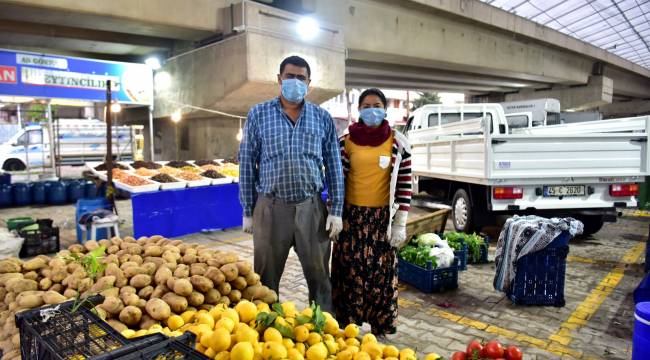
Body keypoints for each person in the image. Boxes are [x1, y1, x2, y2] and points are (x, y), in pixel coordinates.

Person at [238, 55, 344, 312]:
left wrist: (336, 210)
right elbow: (246, 163)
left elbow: (333, 164)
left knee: (320, 278)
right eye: (290, 76)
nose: (295, 82)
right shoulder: (258, 114)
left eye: (301, 78)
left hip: (312, 208)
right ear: (279, 79)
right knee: (265, 278)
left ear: (309, 83)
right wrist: (248, 210)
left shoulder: (322, 118)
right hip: (271, 208)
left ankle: (321, 333)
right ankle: (267, 333)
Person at [332, 88, 412, 336]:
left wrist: (401, 223)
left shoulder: (398, 143)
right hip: (351, 219)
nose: (371, 109)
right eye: (365, 105)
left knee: (381, 275)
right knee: (350, 272)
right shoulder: (345, 142)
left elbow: (405, 185)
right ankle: (348, 323)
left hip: (382, 221)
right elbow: (336, 181)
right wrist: (333, 213)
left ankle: (380, 324)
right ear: (358, 110)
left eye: (376, 104)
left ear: (385, 109)